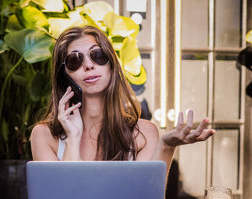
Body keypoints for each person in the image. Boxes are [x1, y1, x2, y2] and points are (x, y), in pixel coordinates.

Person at [30, 26, 215, 174]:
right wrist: (72, 138)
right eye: (74, 61)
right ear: (65, 75)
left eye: (98, 55)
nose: (88, 65)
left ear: (111, 64)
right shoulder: (44, 135)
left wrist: (167, 146)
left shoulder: (143, 134)